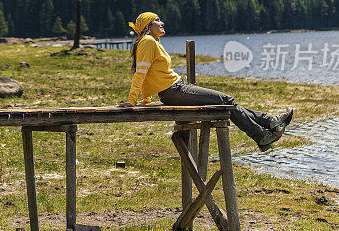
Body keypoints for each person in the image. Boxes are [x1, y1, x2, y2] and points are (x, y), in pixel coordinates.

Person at [118, 12, 293, 151]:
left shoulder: (151, 42)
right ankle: (263, 134)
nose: (162, 22)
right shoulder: (148, 42)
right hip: (174, 91)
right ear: (148, 26)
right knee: (226, 101)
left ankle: (270, 123)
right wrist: (133, 101)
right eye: (157, 20)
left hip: (176, 89)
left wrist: (146, 98)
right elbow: (140, 72)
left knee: (227, 102)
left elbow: (149, 74)